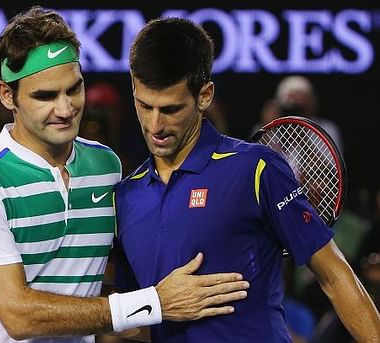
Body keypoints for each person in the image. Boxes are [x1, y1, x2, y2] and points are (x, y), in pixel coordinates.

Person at [0, 7, 250, 343]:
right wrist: (156, 302)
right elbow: (18, 314)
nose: (66, 109)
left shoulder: (105, 166)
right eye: (46, 96)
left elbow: (106, 287)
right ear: (7, 95)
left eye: (74, 88)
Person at [114, 17, 380, 342]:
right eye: (144, 106)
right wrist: (156, 304)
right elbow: (133, 326)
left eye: (171, 109)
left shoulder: (255, 169)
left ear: (205, 95)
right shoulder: (127, 196)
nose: (155, 125)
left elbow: (335, 277)